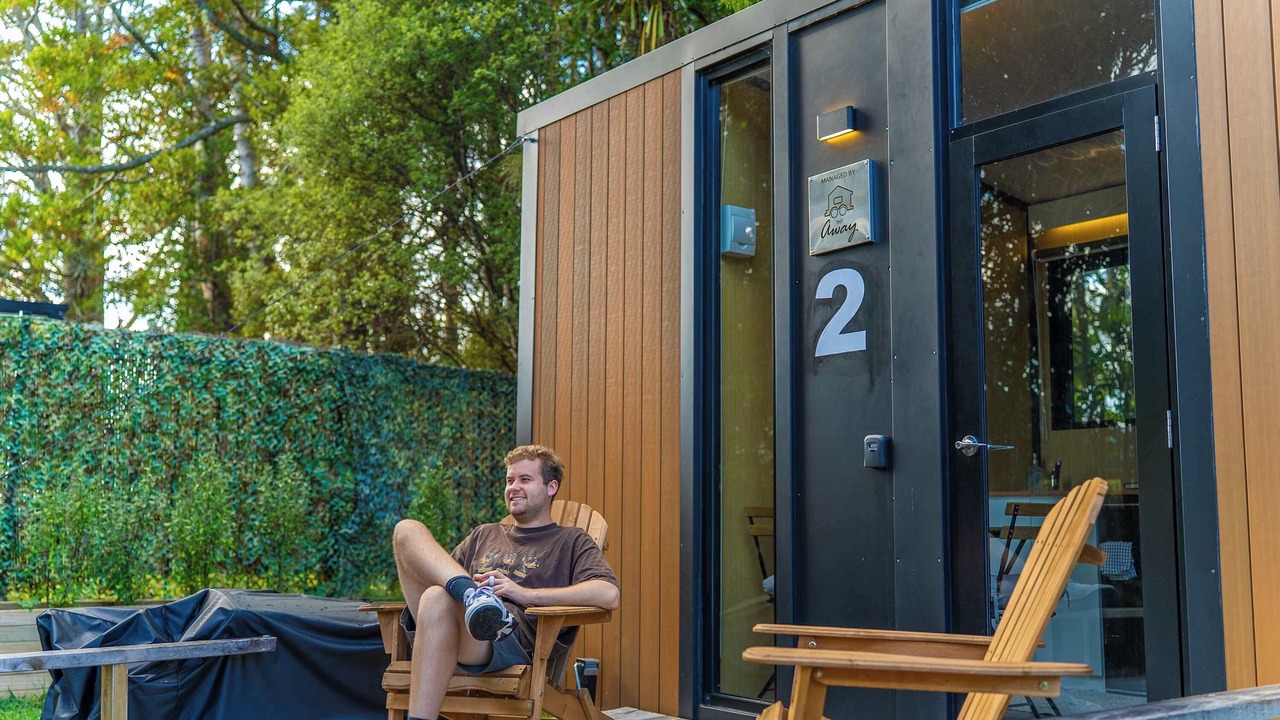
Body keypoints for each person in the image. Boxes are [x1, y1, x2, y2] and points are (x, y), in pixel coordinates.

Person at [392, 445, 619, 720]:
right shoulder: (483, 534)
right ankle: (472, 596)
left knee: (435, 598)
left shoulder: (571, 541)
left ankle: (481, 604)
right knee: (407, 531)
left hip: (505, 639)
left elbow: (608, 594)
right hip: (449, 625)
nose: (513, 487)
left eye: (525, 479)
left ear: (551, 487)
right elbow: (437, 574)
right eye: (510, 480)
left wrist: (523, 594)